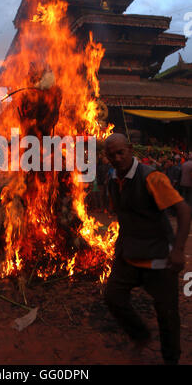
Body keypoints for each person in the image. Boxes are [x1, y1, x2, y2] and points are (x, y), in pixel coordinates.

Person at [103, 133, 191, 365]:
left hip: (158, 259)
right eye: (111, 155)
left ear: (130, 149)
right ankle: (140, 334)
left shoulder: (152, 178)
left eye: (121, 152)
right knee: (113, 296)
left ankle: (171, 359)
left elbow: (183, 210)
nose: (117, 158)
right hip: (129, 255)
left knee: (167, 315)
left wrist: (179, 250)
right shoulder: (113, 181)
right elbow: (124, 217)